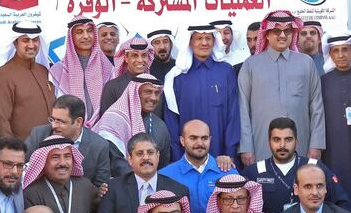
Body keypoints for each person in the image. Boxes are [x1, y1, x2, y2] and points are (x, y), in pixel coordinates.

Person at [239, 10, 325, 166]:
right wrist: (246, 147)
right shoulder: (251, 65)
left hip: (301, 144)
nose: (283, 35)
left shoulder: (306, 63)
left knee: (301, 185)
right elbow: (242, 109)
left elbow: (316, 106)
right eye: (277, 31)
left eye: (287, 31)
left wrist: (316, 144)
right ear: (266, 34)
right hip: (261, 145)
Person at [242, 116, 351, 213]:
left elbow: (342, 205)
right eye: (276, 140)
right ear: (269, 142)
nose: (282, 145)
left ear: (296, 141)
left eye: (288, 139)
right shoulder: (253, 172)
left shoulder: (316, 168)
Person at [163, 24, 240, 160]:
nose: (204, 43)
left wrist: (229, 153)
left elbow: (233, 115)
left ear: (214, 41)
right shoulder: (176, 76)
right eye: (199, 38)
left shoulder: (226, 71)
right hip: (186, 157)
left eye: (208, 38)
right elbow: (171, 121)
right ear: (190, 43)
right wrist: (177, 158)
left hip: (221, 157)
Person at [22, 135, 100, 213]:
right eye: (55, 157)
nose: (62, 163)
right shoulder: (32, 194)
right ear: (43, 162)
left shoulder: (85, 186)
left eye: (67, 157)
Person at [25, 94, 128, 187]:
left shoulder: (99, 146)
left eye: (60, 121)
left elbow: (99, 186)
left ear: (78, 122)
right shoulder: (39, 134)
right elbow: (24, 168)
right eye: (52, 119)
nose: (54, 125)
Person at [0, 22, 55, 140]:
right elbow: (1, 122)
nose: (31, 45)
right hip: (22, 150)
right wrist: (12, 153)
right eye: (26, 40)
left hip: (50, 146)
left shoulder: (44, 71)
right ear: (15, 43)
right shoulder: (3, 75)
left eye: (35, 40)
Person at [321, 31, 351, 210]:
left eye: (345, 50)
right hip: (331, 148)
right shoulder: (323, 80)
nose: (341, 55)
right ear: (330, 54)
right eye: (336, 51)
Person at [159, 119, 236, 213]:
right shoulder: (166, 176)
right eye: (193, 138)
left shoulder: (228, 172)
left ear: (210, 140)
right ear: (182, 141)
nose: (199, 143)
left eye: (204, 138)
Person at [90, 73, 171, 167]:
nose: (153, 98)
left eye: (156, 93)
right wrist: (136, 180)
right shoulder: (113, 119)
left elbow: (163, 164)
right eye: (148, 92)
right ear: (135, 93)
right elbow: (114, 161)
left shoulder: (160, 126)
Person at [49, 16, 113, 120]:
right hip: (69, 128)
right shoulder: (58, 71)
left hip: (101, 128)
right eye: (79, 32)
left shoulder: (106, 67)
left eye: (89, 31)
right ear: (71, 37)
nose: (86, 36)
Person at [98, 35, 156, 116]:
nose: (140, 60)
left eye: (144, 55)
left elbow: (156, 119)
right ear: (126, 58)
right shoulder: (112, 87)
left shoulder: (155, 87)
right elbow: (106, 121)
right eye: (135, 55)